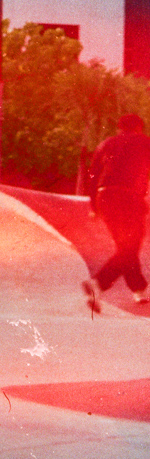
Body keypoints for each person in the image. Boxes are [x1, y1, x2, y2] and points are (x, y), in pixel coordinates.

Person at [83, 113, 150, 312]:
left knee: (125, 246)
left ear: (120, 127)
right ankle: (98, 284)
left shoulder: (105, 144)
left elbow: (92, 175)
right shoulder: (143, 141)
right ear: (138, 127)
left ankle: (138, 289)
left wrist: (93, 205)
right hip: (127, 196)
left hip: (104, 197)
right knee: (131, 244)